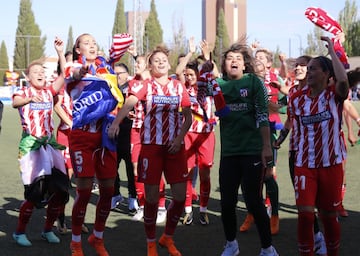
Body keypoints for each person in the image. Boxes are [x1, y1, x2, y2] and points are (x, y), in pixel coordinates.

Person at [108, 45, 192, 256]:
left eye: (164, 59)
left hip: (175, 148)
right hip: (151, 147)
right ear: (150, 66)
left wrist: (180, 138)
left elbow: (188, 117)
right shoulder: (145, 86)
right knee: (152, 198)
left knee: (180, 197)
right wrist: (116, 122)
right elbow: (129, 104)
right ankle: (151, 242)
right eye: (156, 60)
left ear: (169, 63)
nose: (161, 62)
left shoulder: (178, 87)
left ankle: (168, 237)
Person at [66, 32, 132, 256]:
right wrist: (82, 71)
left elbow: (117, 81)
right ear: (78, 49)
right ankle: (76, 242)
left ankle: (98, 237)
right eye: (86, 43)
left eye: (94, 42)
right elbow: (73, 74)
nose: (92, 45)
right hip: (82, 137)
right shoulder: (71, 66)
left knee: (107, 191)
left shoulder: (105, 68)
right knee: (84, 192)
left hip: (105, 136)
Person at [216, 42, 279, 256]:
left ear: (244, 65)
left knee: (253, 201)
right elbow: (197, 97)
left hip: (252, 150)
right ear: (224, 65)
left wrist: (266, 147)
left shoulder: (254, 83)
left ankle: (267, 248)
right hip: (229, 153)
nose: (233, 61)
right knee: (227, 202)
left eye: (238, 58)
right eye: (229, 58)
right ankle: (231, 244)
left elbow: (262, 115)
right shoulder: (218, 85)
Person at [288, 36, 349, 255]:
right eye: (308, 68)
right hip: (304, 164)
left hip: (331, 165)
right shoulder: (296, 99)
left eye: (313, 68)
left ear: (326, 74)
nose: (308, 71)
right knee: (305, 215)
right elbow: (293, 126)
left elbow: (343, 82)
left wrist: (332, 51)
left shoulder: (334, 96)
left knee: (328, 216)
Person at [12, 37, 69, 247]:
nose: (40, 75)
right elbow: (15, 102)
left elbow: (64, 75)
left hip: (49, 146)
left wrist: (61, 53)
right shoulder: (23, 92)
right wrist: (28, 100)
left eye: (43, 73)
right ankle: (19, 233)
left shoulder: (48, 92)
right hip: (31, 147)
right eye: (36, 72)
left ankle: (47, 230)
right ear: (27, 76)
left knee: (61, 190)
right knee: (36, 193)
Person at [274, 55, 327, 256]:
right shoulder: (294, 92)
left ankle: (326, 232)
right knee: (303, 201)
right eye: (296, 66)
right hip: (298, 151)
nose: (297, 69)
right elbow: (289, 120)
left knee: (321, 201)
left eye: (302, 66)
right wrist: (280, 139)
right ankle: (316, 237)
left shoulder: (322, 91)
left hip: (321, 153)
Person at [175, 38, 216, 226]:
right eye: (187, 75)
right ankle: (188, 210)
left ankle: (204, 209)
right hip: (188, 134)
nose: (190, 78)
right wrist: (190, 52)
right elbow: (177, 71)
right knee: (188, 172)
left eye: (192, 74)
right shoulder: (183, 87)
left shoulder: (205, 84)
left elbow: (212, 71)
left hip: (206, 135)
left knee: (205, 172)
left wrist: (207, 56)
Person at [126, 48, 167, 224]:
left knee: (156, 170)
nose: (136, 66)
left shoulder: (155, 82)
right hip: (136, 130)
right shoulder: (132, 83)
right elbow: (129, 103)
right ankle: (142, 206)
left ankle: (161, 206)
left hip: (154, 131)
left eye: (140, 63)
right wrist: (128, 114)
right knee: (137, 169)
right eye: (135, 63)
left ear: (148, 67)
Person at [54, 51, 89, 235]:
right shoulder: (62, 85)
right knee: (65, 181)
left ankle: (77, 221)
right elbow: (57, 106)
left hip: (83, 137)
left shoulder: (86, 85)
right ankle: (60, 220)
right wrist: (70, 123)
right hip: (66, 136)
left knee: (82, 182)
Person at [111, 62, 138, 212]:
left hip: (129, 132)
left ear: (126, 75)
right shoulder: (111, 88)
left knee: (130, 166)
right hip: (113, 133)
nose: (116, 77)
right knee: (112, 166)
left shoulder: (133, 87)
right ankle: (115, 194)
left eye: (118, 74)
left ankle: (132, 197)